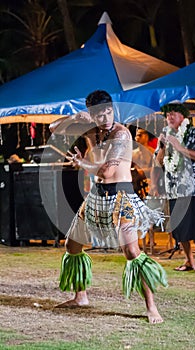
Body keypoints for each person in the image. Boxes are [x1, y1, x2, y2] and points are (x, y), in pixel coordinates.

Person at [49, 90, 168, 324]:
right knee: (72, 245)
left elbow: (108, 171)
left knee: (132, 252)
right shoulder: (93, 130)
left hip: (120, 197)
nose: (105, 117)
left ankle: (151, 307)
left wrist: (82, 163)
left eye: (108, 112)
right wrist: (77, 118)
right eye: (99, 114)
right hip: (96, 197)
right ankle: (80, 296)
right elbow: (54, 128)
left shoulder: (121, 134)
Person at [152, 103, 195, 273]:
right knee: (180, 226)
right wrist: (162, 146)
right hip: (174, 188)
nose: (169, 116)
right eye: (167, 114)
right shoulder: (165, 134)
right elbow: (158, 161)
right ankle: (189, 260)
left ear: (183, 116)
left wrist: (179, 147)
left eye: (174, 113)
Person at [131, 128, 154, 198]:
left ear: (146, 136)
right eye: (136, 136)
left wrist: (142, 172)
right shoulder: (132, 153)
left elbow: (156, 169)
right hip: (134, 185)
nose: (137, 138)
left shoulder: (152, 152)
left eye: (140, 135)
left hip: (148, 183)